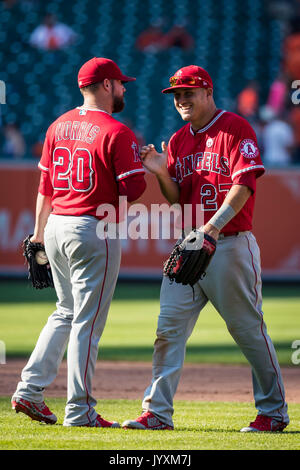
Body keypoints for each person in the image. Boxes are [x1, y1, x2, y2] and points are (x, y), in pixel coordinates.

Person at [122, 65, 289, 433]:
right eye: (177, 94)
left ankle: (273, 413)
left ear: (208, 93)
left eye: (188, 92)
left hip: (229, 243)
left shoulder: (235, 128)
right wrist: (162, 173)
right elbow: (178, 199)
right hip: (190, 245)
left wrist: (212, 229)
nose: (181, 99)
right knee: (168, 330)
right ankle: (157, 413)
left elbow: (244, 184)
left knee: (247, 330)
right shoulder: (179, 139)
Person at [11, 57, 146, 427]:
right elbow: (135, 187)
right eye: (120, 83)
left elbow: (46, 187)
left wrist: (38, 234)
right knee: (87, 321)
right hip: (91, 229)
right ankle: (80, 409)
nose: (124, 89)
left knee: (65, 312)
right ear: (105, 85)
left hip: (55, 225)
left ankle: (28, 390)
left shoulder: (58, 125)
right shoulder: (116, 131)